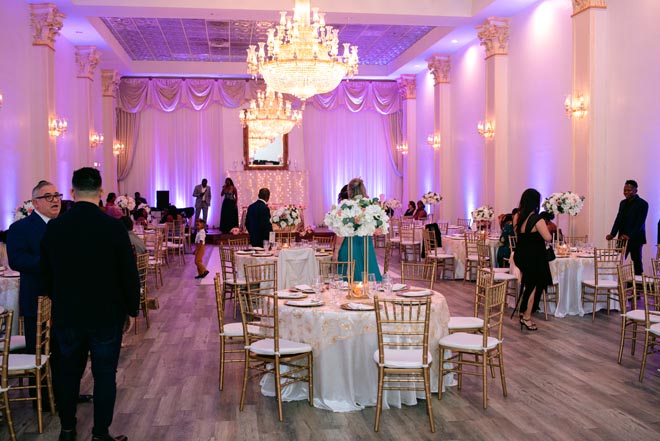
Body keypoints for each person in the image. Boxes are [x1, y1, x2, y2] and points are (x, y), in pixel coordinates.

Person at [41, 167, 139, 441]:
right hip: (106, 315)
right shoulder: (113, 227)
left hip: (68, 315)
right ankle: (100, 434)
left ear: (72, 191)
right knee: (104, 375)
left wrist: (57, 297)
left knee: (67, 374)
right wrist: (132, 309)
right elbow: (128, 273)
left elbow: (45, 273)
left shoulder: (56, 227)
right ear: (99, 191)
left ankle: (68, 429)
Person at [7, 180, 61, 355]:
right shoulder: (20, 228)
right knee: (37, 354)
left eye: (57, 195)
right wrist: (49, 262)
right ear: (35, 203)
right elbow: (16, 260)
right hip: (37, 299)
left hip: (64, 300)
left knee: (63, 355)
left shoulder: (64, 226)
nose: (55, 200)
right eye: (48, 196)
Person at [513, 188, 552, 332]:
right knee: (533, 287)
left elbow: (518, 236)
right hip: (533, 257)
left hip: (520, 255)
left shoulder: (517, 216)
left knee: (527, 284)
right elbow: (547, 237)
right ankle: (526, 317)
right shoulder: (537, 219)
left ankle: (523, 312)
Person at [335, 178, 382, 282]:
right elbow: (377, 229)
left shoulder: (346, 206)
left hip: (349, 245)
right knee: (369, 277)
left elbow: (341, 232)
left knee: (348, 280)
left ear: (350, 191)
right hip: (366, 245)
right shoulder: (370, 206)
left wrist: (336, 251)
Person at [606, 179, 649, 275]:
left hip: (636, 238)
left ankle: (638, 286)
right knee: (617, 261)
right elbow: (618, 219)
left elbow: (640, 223)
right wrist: (612, 234)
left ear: (635, 191)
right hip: (622, 238)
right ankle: (617, 283)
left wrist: (629, 235)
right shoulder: (622, 203)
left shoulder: (643, 204)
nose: (626, 192)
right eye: (624, 190)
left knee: (636, 262)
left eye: (629, 190)